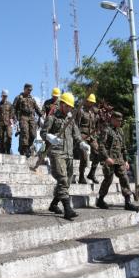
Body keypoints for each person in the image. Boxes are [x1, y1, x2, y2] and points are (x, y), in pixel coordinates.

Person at [41, 92, 90, 220]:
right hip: (56, 153)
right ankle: (67, 209)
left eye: (70, 107)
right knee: (62, 179)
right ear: (61, 104)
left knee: (66, 182)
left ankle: (53, 204)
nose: (69, 109)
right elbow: (43, 132)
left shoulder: (70, 119)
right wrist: (48, 137)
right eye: (67, 106)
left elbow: (77, 135)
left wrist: (82, 143)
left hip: (69, 153)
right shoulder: (52, 117)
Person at [96, 111, 139, 211]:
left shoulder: (120, 131)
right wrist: (106, 158)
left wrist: (126, 160)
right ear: (112, 119)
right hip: (109, 160)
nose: (120, 122)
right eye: (118, 120)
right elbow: (101, 145)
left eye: (121, 121)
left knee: (124, 178)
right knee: (108, 180)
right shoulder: (106, 130)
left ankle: (128, 202)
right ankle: (100, 200)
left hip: (119, 160)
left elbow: (123, 148)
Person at [13, 83, 42, 157]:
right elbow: (13, 108)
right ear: (24, 89)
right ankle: (25, 149)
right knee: (25, 132)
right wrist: (14, 118)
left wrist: (41, 115)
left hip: (31, 117)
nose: (30, 91)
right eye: (28, 90)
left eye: (31, 90)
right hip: (23, 117)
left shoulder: (32, 99)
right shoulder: (19, 98)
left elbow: (37, 108)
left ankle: (27, 146)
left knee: (33, 134)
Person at [76, 93, 100, 184]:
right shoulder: (81, 111)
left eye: (92, 102)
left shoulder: (94, 112)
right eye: (90, 102)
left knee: (99, 153)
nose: (91, 104)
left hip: (92, 136)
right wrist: (78, 138)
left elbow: (96, 124)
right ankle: (81, 176)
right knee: (84, 157)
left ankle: (92, 174)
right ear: (86, 101)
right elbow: (76, 125)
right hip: (83, 136)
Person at [0, 89, 15, 154]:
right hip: (0, 123)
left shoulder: (10, 104)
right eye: (3, 96)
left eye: (6, 96)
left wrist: (12, 121)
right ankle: (1, 151)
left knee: (9, 136)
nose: (5, 97)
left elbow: (12, 113)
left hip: (8, 124)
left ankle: (8, 151)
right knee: (0, 138)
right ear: (1, 96)